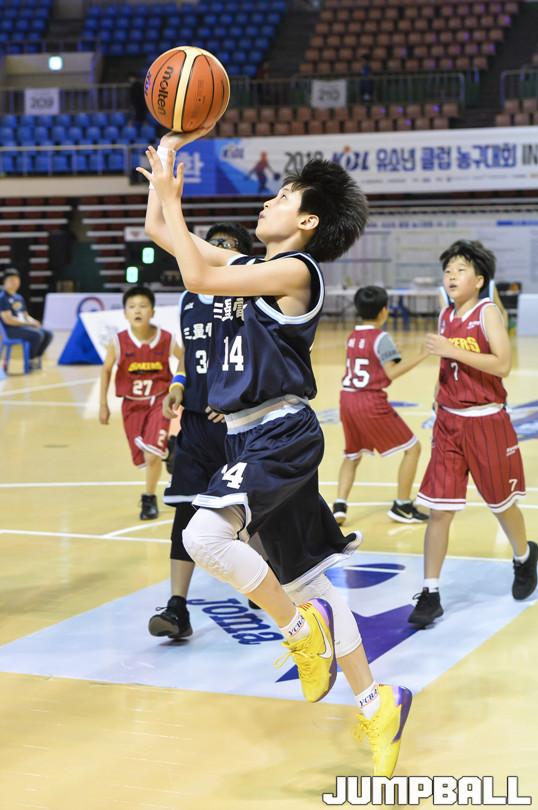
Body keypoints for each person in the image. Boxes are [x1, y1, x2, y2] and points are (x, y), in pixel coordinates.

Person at [138, 132, 412, 778]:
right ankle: (377, 703)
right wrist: (165, 170)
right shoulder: (249, 268)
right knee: (307, 584)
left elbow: (197, 274)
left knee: (204, 537)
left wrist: (175, 199)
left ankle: (298, 632)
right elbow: (161, 234)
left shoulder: (297, 272)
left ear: (308, 221)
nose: (269, 201)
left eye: (284, 196)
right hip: (248, 435)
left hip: (278, 432)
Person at [409, 240, 538, 628]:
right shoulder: (445, 314)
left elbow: (502, 365)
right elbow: (446, 366)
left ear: (479, 280)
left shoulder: (488, 313)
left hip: (486, 422)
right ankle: (430, 592)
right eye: (448, 270)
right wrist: (437, 396)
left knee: (501, 503)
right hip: (449, 424)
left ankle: (524, 556)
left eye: (460, 270)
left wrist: (451, 349)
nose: (451, 276)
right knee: (439, 510)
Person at [149, 222, 254, 639]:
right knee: (186, 511)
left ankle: (264, 580)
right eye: (212, 242)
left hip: (237, 425)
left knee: (250, 510)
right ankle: (177, 607)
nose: (217, 247)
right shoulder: (189, 297)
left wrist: (235, 399)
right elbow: (186, 354)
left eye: (227, 244)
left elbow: (259, 356)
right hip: (194, 423)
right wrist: (177, 384)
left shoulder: (248, 296)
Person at [333, 286, 429, 526]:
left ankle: (339, 507)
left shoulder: (352, 336)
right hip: (369, 401)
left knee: (352, 454)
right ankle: (402, 506)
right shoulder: (381, 337)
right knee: (413, 448)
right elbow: (391, 372)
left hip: (347, 399)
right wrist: (422, 355)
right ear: (384, 311)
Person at [99, 286, 183, 520]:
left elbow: (184, 358)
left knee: (151, 455)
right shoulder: (118, 342)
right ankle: (170, 449)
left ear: (152, 311)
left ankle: (149, 497)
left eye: (143, 306)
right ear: (125, 313)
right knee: (142, 456)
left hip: (159, 402)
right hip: (132, 405)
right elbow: (106, 370)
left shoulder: (166, 338)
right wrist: (103, 404)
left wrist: (179, 385)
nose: (138, 311)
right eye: (132, 307)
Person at [0, 267, 53, 369]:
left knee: (48, 334)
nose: (14, 282)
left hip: (22, 327)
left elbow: (25, 315)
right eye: (11, 280)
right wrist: (28, 324)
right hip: (10, 330)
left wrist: (34, 322)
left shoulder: (18, 297)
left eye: (16, 280)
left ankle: (35, 357)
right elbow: (8, 320)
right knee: (37, 335)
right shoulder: (3, 298)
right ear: (4, 282)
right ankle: (30, 360)